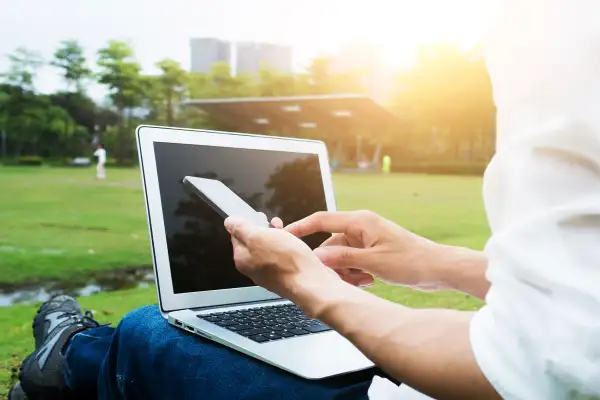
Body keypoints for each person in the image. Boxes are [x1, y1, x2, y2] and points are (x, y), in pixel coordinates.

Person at [10, 0, 600, 398]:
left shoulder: (556, 27)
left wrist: (310, 288)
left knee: (151, 333)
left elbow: (549, 368)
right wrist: (437, 263)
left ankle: (69, 351)